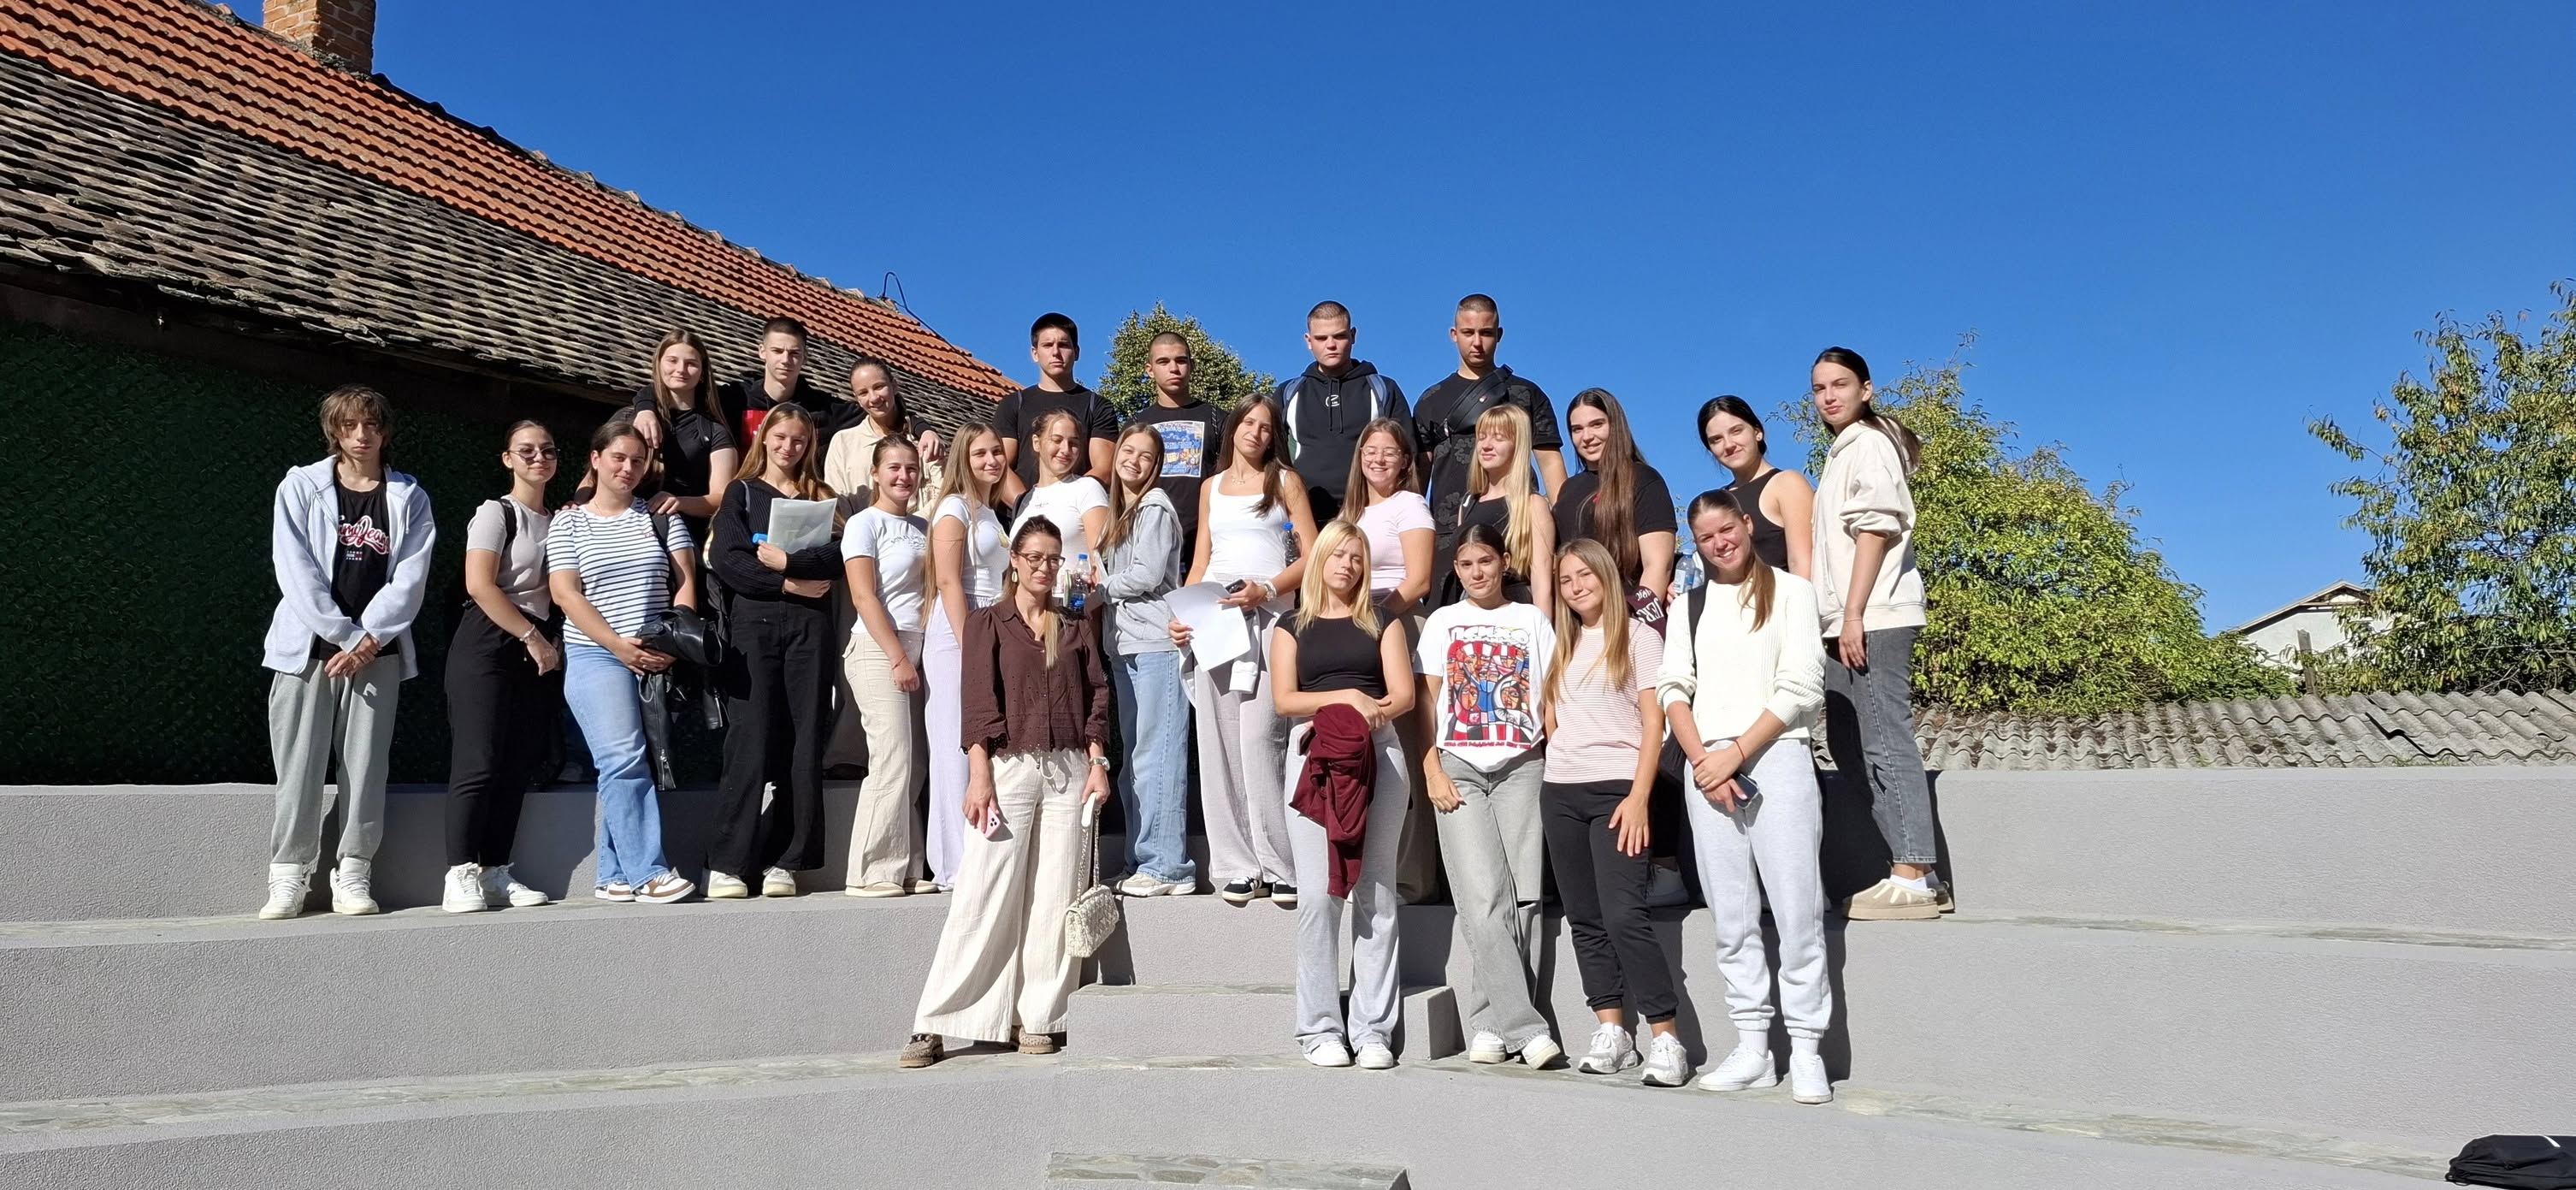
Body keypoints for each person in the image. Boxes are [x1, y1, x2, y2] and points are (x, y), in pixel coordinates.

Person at [901, 515, 1113, 1069]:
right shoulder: (987, 623)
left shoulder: (1074, 625)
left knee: (1054, 896)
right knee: (983, 891)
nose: (1044, 567)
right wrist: (979, 775)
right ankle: (938, 1019)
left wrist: (1097, 761)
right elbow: (977, 703)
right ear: (1014, 561)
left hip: (1069, 770)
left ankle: (1038, 1017)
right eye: (1034, 557)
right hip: (1008, 768)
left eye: (1052, 558)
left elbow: (1097, 694)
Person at [1660, 489, 1833, 1104]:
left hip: (1777, 756)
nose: (1719, 543)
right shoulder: (1689, 604)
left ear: (1747, 525)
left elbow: (1802, 685)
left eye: (1725, 529)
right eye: (1705, 537)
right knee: (1731, 918)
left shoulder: (1792, 592)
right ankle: (1753, 1047)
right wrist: (1706, 763)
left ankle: (1806, 1049)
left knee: (1796, 911)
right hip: (1707, 768)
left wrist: (1736, 753)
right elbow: (1672, 687)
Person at [259, 385, 436, 919]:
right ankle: (288, 875)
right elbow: (293, 568)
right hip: (308, 648)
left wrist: (368, 639)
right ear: (334, 431)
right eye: (350, 425)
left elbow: (410, 579)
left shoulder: (410, 496)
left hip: (377, 652)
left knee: (366, 766)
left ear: (385, 431)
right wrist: (344, 635)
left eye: (371, 425)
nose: (361, 436)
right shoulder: (300, 486)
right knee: (299, 765)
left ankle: (354, 871)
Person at [1272, 520, 1415, 1069]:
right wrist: (1347, 698)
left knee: (1376, 891)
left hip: (1379, 753)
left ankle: (1373, 1028)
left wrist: (1366, 711)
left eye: (1357, 558)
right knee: (1317, 894)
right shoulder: (1291, 625)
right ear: (1321, 559)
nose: (1348, 566)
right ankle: (1319, 1028)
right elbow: (1285, 699)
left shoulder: (1383, 620)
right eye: (1339, 555)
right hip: (1314, 756)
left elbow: (1402, 694)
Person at [1416, 523, 1561, 1069]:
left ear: (1504, 562)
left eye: (1485, 561)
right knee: (1482, 897)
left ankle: (1489, 1022)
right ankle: (1527, 1027)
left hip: (1523, 765)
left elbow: (1549, 698)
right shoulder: (1443, 622)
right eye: (1465, 564)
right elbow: (1425, 705)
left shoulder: (1531, 619)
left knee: (1524, 898)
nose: (1476, 573)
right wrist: (1431, 769)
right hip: (1460, 766)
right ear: (1456, 570)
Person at [1807, 346, 1945, 920]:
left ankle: (1912, 872)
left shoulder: (1868, 443)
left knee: (1885, 739)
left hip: (1875, 617)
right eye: (1819, 388)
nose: (1829, 396)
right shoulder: (1844, 450)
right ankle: (1918, 872)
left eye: (1840, 384)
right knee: (1852, 744)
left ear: (1866, 389)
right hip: (1850, 618)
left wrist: (1854, 613)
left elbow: (1875, 531)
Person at [1542, 539, 1684, 1084]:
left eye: (1584, 575)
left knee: (1625, 915)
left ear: (1604, 575)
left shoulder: (1640, 638)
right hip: (1561, 792)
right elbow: (1554, 717)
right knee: (1585, 918)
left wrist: (1639, 796)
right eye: (1565, 580)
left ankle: (1666, 1038)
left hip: (1619, 793)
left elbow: (1654, 723)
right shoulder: (1562, 641)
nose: (1575, 587)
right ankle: (1612, 1031)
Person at [1173, 396, 1319, 907]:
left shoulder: (1286, 481)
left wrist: (1268, 588)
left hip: (1269, 618)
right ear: (1233, 428)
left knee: (1262, 739)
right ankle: (1238, 866)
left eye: (1266, 426)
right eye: (1248, 423)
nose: (1256, 432)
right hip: (1214, 621)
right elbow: (1202, 560)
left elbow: (1313, 553)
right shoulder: (1210, 488)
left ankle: (1281, 864)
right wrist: (1182, 614)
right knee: (1218, 744)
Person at [547, 418, 699, 905]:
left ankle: (612, 874)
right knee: (623, 758)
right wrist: (617, 646)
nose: (628, 468)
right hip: (596, 654)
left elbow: (685, 583)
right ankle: (648, 872)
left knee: (631, 762)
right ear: (595, 460)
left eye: (637, 460)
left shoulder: (660, 516)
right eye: (618, 458)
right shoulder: (568, 522)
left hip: (655, 656)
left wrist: (673, 643)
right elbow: (566, 594)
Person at [704, 406, 842, 899]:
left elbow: (839, 555)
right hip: (754, 626)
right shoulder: (741, 492)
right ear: (764, 437)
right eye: (781, 437)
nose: (789, 447)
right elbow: (728, 560)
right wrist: (787, 582)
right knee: (750, 736)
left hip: (810, 629)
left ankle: (786, 860)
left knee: (804, 739)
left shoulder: (821, 496)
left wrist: (789, 561)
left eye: (799, 440)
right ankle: (728, 863)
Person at [441, 420, 558, 914]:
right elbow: (479, 584)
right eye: (526, 451)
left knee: (516, 764)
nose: (538, 458)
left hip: (538, 647)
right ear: (508, 459)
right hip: (489, 641)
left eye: (547, 450)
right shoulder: (496, 512)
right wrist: (531, 637)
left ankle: (495, 871)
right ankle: (459, 873)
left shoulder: (562, 519)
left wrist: (543, 642)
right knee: (479, 761)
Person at [1340, 417, 1440, 903]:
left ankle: (1412, 879)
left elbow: (1418, 581)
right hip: (1360, 634)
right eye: (1370, 450)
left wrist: (1374, 621)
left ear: (1405, 462)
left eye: (1389, 451)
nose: (1378, 459)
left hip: (1399, 628)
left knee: (1407, 751)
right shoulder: (1353, 511)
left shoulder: (1410, 505)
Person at [1096, 423, 1195, 897]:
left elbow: (1147, 574)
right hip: (1126, 646)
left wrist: (1097, 591)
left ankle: (1168, 867)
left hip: (1156, 644)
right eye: (1128, 451)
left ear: (1157, 466)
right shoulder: (1124, 511)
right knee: (1137, 757)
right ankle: (1142, 859)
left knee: (1159, 755)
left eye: (1146, 455)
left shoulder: (1154, 506)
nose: (1134, 461)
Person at [842, 436, 937, 897]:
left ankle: (907, 865)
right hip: (879, 649)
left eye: (911, 468)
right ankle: (871, 870)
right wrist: (897, 657)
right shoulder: (864, 524)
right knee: (892, 758)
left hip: (918, 651)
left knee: (915, 763)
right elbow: (864, 596)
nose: (904, 476)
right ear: (876, 474)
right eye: (894, 468)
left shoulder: (923, 525)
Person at [1414, 294, 1565, 583]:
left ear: (1499, 335)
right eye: (1468, 333)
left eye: (1486, 333)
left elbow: (1551, 465)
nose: (1477, 343)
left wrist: (1562, 530)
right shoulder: (1431, 400)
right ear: (1453, 334)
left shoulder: (1526, 394)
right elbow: (1419, 479)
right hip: (1449, 536)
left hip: (1517, 529)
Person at [922, 423, 1013, 891]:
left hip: (991, 627)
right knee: (952, 747)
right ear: (963, 458)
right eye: (980, 454)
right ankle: (952, 866)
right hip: (959, 630)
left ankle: (979, 853)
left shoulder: (992, 512)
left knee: (983, 743)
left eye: (997, 451)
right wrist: (970, 643)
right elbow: (948, 581)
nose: (991, 460)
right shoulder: (954, 508)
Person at [1275, 301, 1409, 522]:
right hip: (1304, 518)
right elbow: (1270, 460)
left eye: (1339, 336)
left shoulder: (1383, 389)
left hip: (1369, 515)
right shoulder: (1288, 393)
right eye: (1321, 338)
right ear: (1308, 341)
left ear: (1353, 335)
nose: (1331, 345)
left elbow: (1409, 455)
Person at [1554, 388, 1677, 617]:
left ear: (1615, 425)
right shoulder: (1568, 489)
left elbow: (1658, 565)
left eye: (1597, 425)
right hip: (1576, 624)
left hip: (1627, 617)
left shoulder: (1643, 479)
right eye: (1577, 429)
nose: (1587, 436)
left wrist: (1638, 623)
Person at [993, 313, 1119, 506]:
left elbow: (1104, 468)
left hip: (1077, 514)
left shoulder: (1098, 406)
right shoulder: (1013, 404)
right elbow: (1000, 464)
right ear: (1035, 353)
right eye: (1047, 345)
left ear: (1076, 352)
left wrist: (1064, 506)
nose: (1056, 352)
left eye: (1063, 345)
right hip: (1020, 516)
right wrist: (1028, 507)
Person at [1442, 405, 1557, 614]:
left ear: (1517, 445)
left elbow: (1542, 581)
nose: (1486, 446)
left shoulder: (1532, 504)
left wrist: (1543, 628)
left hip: (1518, 610)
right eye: (1482, 437)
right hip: (1473, 611)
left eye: (1498, 438)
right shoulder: (1468, 503)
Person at [1121, 330, 1228, 550]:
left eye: (1181, 360)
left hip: (1205, 540)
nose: (1174, 368)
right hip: (1148, 539)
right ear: (1150, 370)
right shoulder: (1136, 424)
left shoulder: (1217, 419)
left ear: (1192, 365)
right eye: (1163, 362)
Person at [630, 329, 737, 539]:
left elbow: (721, 497)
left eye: (691, 363)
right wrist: (578, 502)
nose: (681, 369)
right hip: (628, 527)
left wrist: (679, 502)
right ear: (658, 364)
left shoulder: (715, 431)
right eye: (672, 361)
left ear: (702, 373)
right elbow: (596, 474)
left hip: (684, 535)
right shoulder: (633, 417)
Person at [1700, 394, 1814, 577]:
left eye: (1736, 431)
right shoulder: (1716, 501)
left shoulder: (1786, 484)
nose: (1728, 445)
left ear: (1757, 432)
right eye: (1716, 439)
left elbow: (1802, 563)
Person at [822, 357, 943, 512]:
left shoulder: (923, 439)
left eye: (879, 387)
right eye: (863, 393)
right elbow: (836, 499)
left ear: (894, 385)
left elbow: (940, 494)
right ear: (856, 398)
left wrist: (913, 523)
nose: (873, 398)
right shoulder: (843, 442)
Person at [1015, 409, 1112, 567]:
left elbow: (1102, 560)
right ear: (1037, 443)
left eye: (1073, 443)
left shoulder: (1088, 488)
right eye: (1057, 440)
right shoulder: (1026, 500)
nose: (1066, 450)